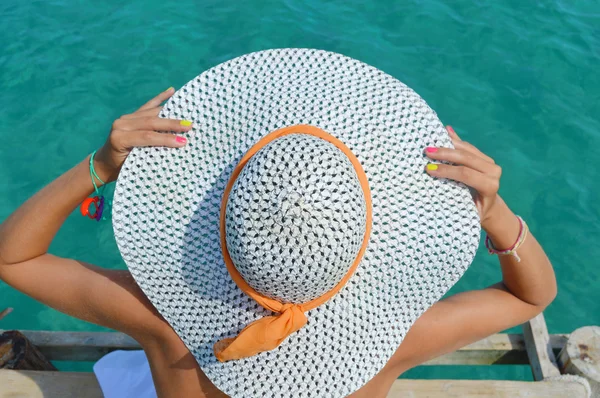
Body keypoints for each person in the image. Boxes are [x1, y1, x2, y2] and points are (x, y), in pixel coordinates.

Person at [0, 88, 557, 397]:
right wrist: (494, 211)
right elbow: (531, 297)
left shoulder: (165, 321)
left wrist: (99, 166)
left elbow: (15, 256)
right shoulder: (394, 340)